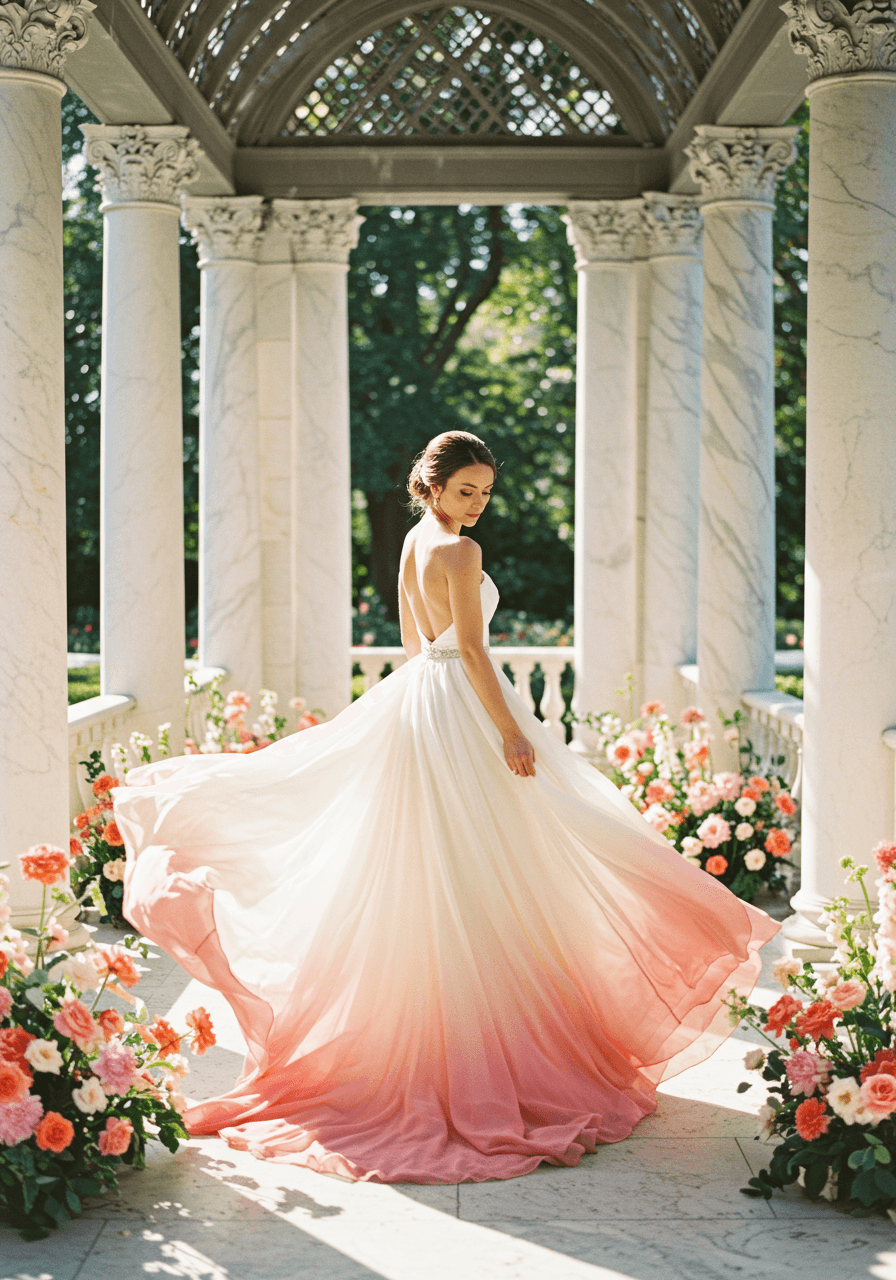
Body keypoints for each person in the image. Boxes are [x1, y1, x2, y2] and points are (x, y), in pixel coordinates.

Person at [114, 429, 779, 1185]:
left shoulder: (413, 541)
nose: (479, 503)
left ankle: (444, 1035)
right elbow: (471, 650)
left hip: (417, 705)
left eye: (486, 492)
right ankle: (481, 1049)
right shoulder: (460, 553)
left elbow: (410, 641)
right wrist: (507, 731)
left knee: (436, 870)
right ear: (430, 487)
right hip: (458, 707)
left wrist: (421, 708)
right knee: (500, 862)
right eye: (467, 490)